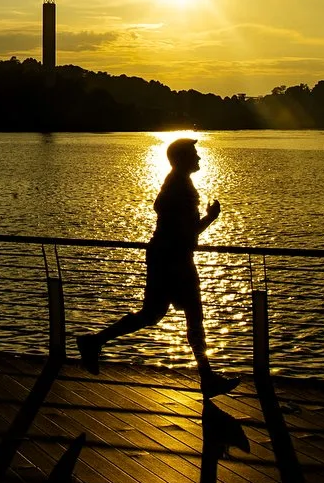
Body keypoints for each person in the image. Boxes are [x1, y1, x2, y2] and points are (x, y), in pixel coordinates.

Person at [76, 137, 240, 397]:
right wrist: (211, 218)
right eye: (194, 154)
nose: (199, 158)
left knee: (151, 315)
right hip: (175, 259)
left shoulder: (175, 184)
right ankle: (207, 378)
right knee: (192, 319)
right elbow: (187, 232)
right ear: (183, 158)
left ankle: (94, 341)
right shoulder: (182, 189)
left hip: (163, 256)